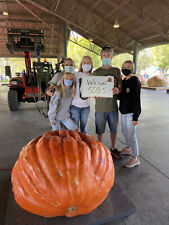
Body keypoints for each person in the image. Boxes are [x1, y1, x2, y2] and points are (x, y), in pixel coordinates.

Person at [92, 46, 122, 158]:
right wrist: (93, 94)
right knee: (100, 130)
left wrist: (118, 90)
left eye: (108, 56)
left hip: (113, 107)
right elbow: (91, 89)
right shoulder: (96, 72)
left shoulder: (116, 71)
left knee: (114, 129)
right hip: (100, 108)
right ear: (101, 57)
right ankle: (100, 148)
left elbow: (120, 86)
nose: (106, 58)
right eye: (104, 56)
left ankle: (113, 148)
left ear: (111, 57)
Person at [118, 60, 141, 168]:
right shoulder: (124, 81)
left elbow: (136, 99)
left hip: (131, 113)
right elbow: (122, 96)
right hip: (123, 111)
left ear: (131, 69)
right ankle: (128, 148)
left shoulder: (134, 80)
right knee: (125, 132)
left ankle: (135, 157)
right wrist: (116, 92)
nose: (125, 68)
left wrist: (135, 116)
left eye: (127, 67)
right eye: (123, 66)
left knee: (132, 135)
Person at [70, 56, 93, 133]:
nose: (86, 64)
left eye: (88, 63)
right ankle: (76, 144)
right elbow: (65, 81)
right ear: (81, 64)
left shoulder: (92, 77)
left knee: (84, 128)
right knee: (75, 128)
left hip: (86, 106)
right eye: (84, 63)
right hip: (75, 106)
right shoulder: (75, 75)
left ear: (91, 65)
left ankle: (84, 144)